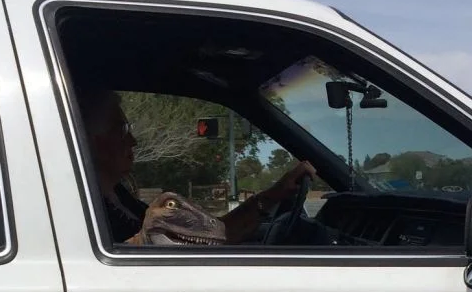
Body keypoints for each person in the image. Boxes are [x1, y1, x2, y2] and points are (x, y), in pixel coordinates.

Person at [77, 88, 316, 245]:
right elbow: (220, 235)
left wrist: (273, 195)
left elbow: (213, 233)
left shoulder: (118, 196)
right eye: (122, 130)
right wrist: (271, 196)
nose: (133, 141)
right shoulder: (86, 209)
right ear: (93, 140)